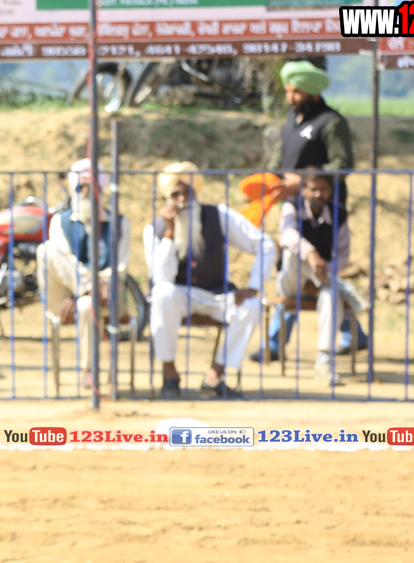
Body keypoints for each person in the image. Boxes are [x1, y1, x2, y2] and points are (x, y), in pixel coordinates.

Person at [263, 59, 368, 361]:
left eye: (296, 92)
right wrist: (270, 181)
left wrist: (305, 183)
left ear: (312, 92)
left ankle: (279, 342)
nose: (290, 97)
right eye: (288, 91)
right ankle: (278, 342)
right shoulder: (292, 119)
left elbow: (342, 164)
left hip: (324, 209)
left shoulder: (331, 122)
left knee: (317, 270)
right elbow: (279, 159)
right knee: (291, 267)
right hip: (294, 207)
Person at [146, 162, 275, 399]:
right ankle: (170, 375)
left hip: (217, 294)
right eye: (176, 194)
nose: (183, 199)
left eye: (188, 192)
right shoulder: (155, 229)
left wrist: (254, 286)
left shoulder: (219, 215)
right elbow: (162, 277)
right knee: (162, 293)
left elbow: (264, 244)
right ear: (168, 198)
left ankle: (214, 376)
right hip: (179, 295)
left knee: (252, 306)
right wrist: (169, 233)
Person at [35, 158, 131, 388]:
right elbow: (64, 262)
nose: (86, 191)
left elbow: (120, 266)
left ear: (101, 189)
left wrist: (100, 284)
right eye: (81, 187)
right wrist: (85, 286)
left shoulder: (119, 223)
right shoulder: (60, 221)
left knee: (87, 305)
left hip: (108, 295)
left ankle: (89, 370)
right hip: (65, 295)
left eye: (92, 186)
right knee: (45, 250)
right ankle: (88, 289)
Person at [275, 170, 367, 387]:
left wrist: (322, 273)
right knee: (292, 253)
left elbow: (342, 255)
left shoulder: (338, 213)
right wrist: (311, 253)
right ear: (304, 190)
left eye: (323, 189)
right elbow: (287, 234)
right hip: (291, 281)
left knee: (331, 295)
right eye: (313, 189)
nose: (317, 194)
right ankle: (342, 287)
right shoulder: (291, 206)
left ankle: (324, 362)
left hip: (321, 283)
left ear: (331, 191)